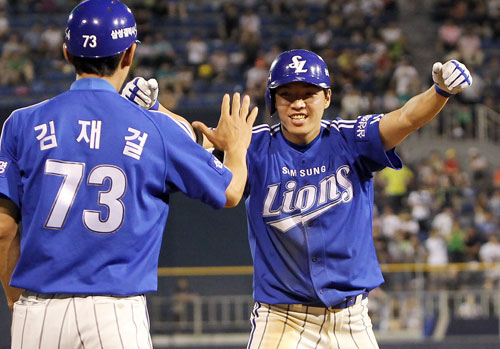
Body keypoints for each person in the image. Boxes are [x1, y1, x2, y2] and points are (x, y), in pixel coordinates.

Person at [129, 49, 472, 348]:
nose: (297, 103)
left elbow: (407, 117)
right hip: (282, 318)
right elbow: (193, 139)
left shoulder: (351, 140)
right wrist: (157, 111)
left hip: (350, 318)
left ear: (326, 97)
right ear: (273, 102)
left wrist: (439, 91)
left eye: (308, 93)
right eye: (286, 94)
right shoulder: (256, 146)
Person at [0, 1, 257, 348]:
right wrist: (236, 150)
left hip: (40, 309)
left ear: (66, 52)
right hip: (115, 314)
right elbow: (229, 192)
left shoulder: (22, 124)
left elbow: (3, 230)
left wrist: (16, 300)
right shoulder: (154, 128)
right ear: (129, 54)